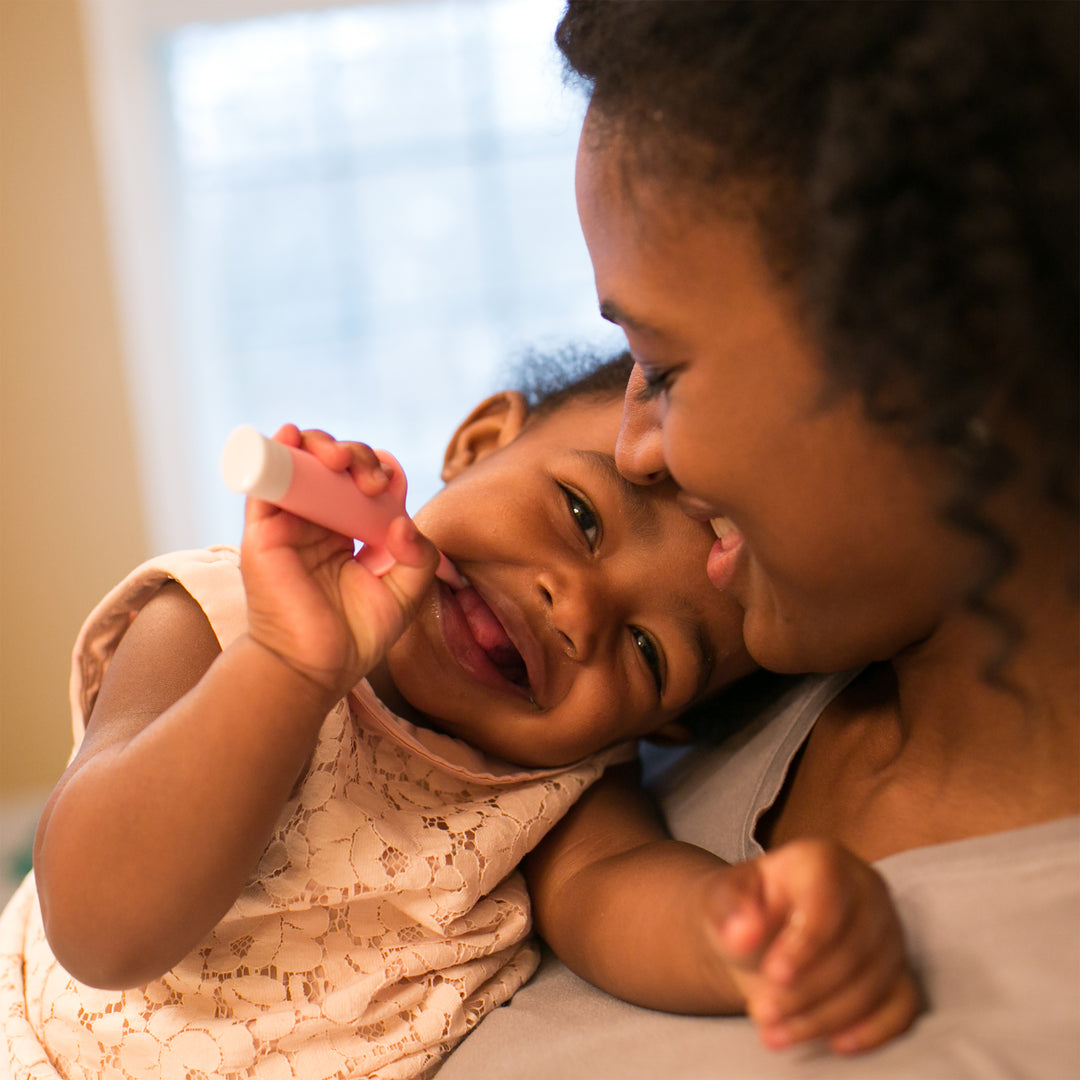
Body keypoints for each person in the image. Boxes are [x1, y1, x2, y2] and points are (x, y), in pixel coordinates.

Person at [438, 2, 1080, 1078]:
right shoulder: (743, 678)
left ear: (949, 364)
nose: (636, 449)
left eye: (665, 364)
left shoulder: (678, 686)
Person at [0, 351, 917, 1080]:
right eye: (582, 516)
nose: (579, 610)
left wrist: (743, 936)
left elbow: (622, 900)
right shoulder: (217, 618)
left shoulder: (558, 791)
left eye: (648, 653)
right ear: (478, 442)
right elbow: (98, 925)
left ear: (665, 726)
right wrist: (288, 665)